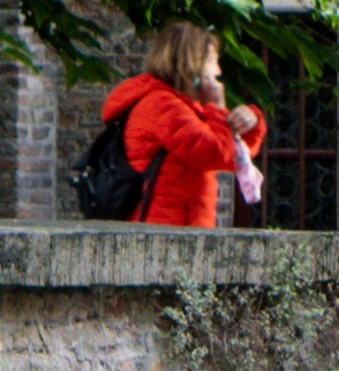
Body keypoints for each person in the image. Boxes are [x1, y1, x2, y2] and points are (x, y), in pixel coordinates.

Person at [94, 21, 260, 231]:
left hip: (181, 228)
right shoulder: (163, 106)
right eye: (212, 62)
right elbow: (214, 152)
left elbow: (232, 155)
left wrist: (251, 121)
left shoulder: (183, 107)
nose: (218, 71)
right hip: (165, 231)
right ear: (191, 63)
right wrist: (217, 106)